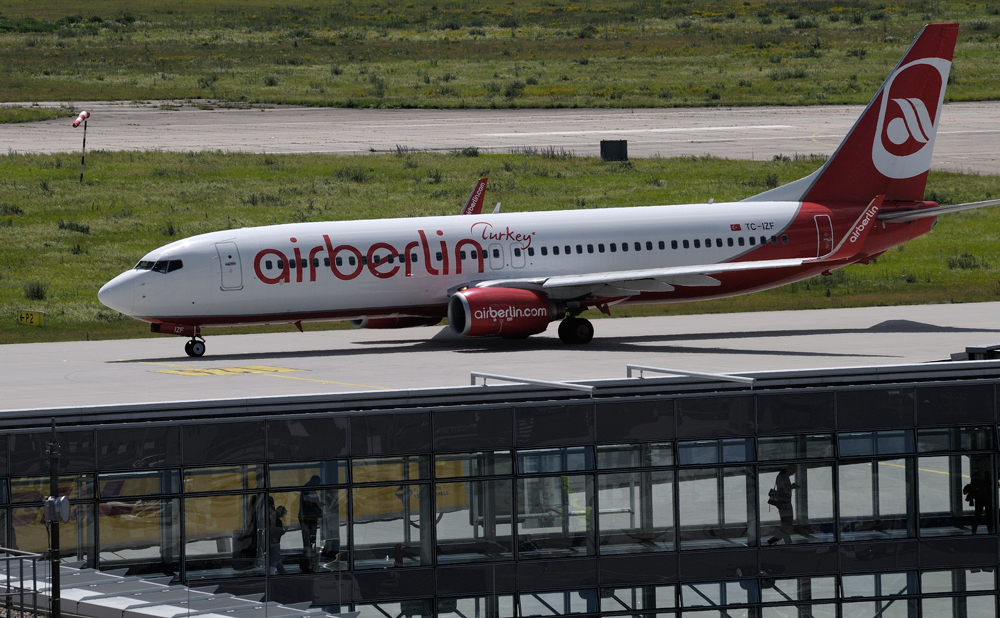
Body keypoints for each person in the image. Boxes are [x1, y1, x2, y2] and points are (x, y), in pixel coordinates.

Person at [767, 464, 799, 546]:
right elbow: (785, 489)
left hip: (782, 503)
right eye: (793, 471)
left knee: (786, 525)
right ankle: (777, 540)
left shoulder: (780, 475)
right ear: (789, 469)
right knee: (787, 524)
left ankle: (787, 542)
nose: (794, 473)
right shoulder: (784, 476)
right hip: (785, 503)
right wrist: (793, 486)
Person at [299, 476, 322, 573]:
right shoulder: (307, 489)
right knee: (308, 541)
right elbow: (308, 502)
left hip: (310, 517)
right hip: (308, 518)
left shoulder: (309, 488)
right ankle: (307, 563)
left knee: (310, 540)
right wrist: (318, 504)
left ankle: (309, 562)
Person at [965, 464, 995, 535]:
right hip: (983, 498)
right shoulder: (988, 475)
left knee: (983, 515)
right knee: (983, 515)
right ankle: (987, 530)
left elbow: (973, 487)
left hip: (981, 498)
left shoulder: (976, 475)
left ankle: (975, 530)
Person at [268, 497, 287, 574]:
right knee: (276, 558)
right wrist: (283, 530)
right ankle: (275, 571)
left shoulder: (270, 518)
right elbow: (273, 530)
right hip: (274, 542)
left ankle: (282, 572)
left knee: (277, 559)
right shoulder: (275, 520)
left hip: (273, 542)